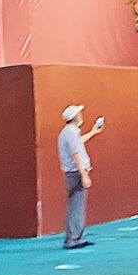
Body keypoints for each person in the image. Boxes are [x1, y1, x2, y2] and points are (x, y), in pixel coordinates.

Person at [58, 105, 103, 250]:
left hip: (72, 173)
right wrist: (84, 175)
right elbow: (76, 153)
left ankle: (75, 237)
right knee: (77, 207)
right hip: (76, 173)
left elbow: (79, 143)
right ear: (75, 117)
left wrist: (93, 132)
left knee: (75, 206)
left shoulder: (68, 133)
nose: (81, 115)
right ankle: (73, 239)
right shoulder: (71, 133)